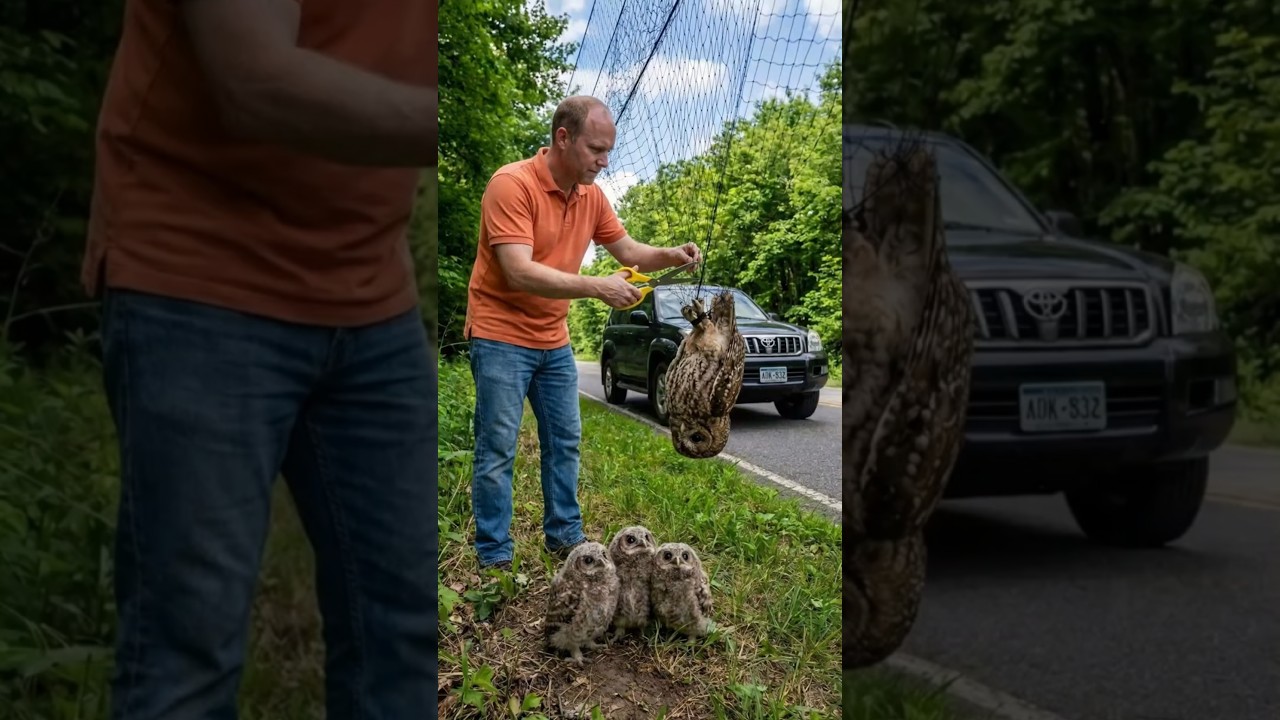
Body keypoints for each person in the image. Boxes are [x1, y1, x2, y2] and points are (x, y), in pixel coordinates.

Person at [80, 1, 438, 718]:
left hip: (373, 295)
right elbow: (257, 82)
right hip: (199, 279)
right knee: (190, 647)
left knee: (408, 629)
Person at [464, 95, 701, 571]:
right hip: (499, 334)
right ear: (563, 138)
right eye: (596, 149)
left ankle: (564, 537)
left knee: (565, 440)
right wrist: (597, 287)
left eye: (608, 150)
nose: (604, 160)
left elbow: (628, 249)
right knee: (497, 447)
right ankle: (493, 556)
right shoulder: (512, 185)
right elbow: (517, 271)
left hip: (552, 339)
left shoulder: (591, 196)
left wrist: (671, 254)